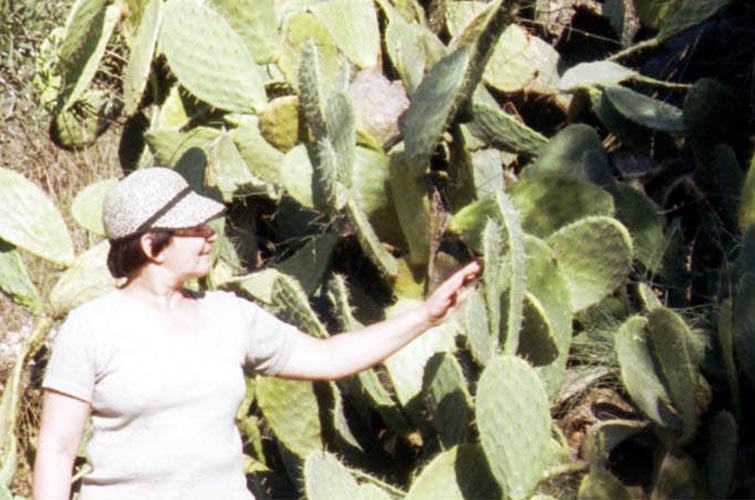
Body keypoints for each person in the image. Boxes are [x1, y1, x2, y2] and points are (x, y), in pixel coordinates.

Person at [32, 167, 480, 500]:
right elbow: (57, 450)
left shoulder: (229, 316)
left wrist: (426, 316)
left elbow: (329, 358)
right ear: (152, 246)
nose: (210, 236)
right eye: (194, 229)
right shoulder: (90, 328)